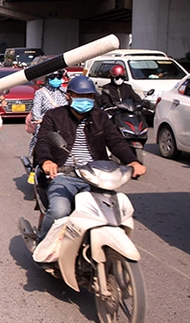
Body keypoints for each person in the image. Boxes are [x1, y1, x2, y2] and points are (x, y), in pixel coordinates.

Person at [33, 75, 146, 241]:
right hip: (64, 175)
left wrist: (133, 161)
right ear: (68, 96)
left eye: (89, 96)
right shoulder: (54, 116)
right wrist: (47, 161)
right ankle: (42, 244)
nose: (85, 99)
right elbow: (42, 141)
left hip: (97, 176)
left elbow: (116, 141)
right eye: (80, 96)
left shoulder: (100, 117)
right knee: (59, 211)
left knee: (114, 212)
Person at [26, 70, 68, 163]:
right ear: (48, 79)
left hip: (62, 125)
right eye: (53, 77)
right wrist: (39, 119)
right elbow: (36, 110)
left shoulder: (66, 93)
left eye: (58, 77)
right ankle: (36, 167)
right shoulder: (40, 93)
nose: (56, 79)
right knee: (40, 145)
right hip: (45, 125)